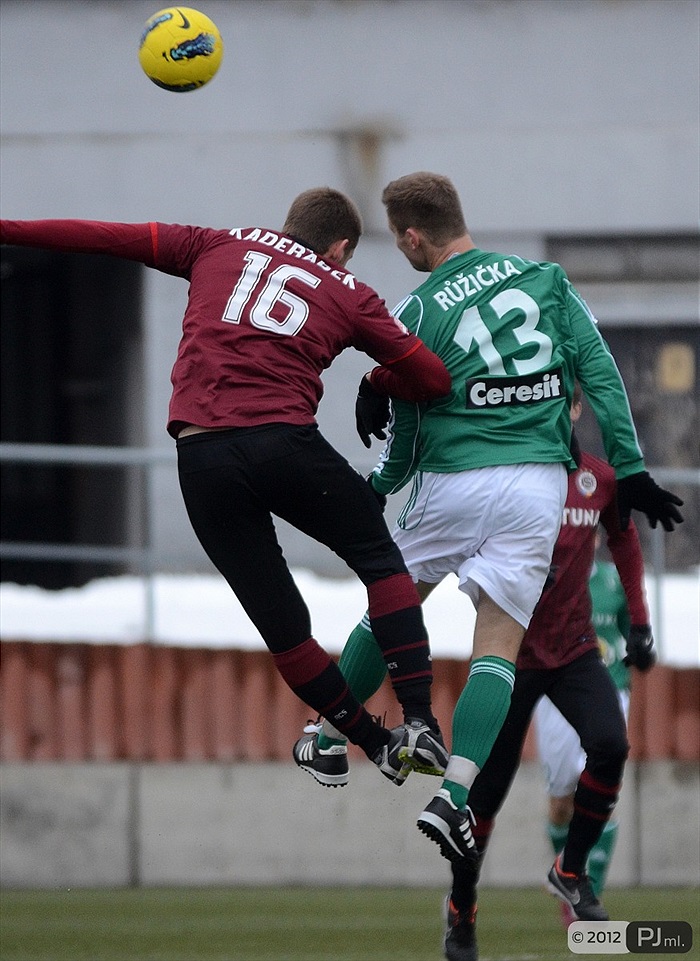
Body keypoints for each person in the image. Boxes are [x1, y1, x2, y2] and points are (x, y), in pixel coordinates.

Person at [291, 171, 682, 898]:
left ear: (412, 236)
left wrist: (377, 485)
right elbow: (599, 371)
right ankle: (455, 796)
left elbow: (406, 421)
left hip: (453, 481)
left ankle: (322, 733)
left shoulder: (415, 307)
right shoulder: (548, 281)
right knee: (498, 644)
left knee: (394, 605)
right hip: (536, 487)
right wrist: (628, 465)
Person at [0, 188, 454, 781]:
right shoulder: (348, 291)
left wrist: (9, 227)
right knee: (380, 560)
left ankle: (369, 742)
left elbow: (104, 235)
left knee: (282, 624)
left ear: (286, 223)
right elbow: (433, 376)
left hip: (202, 458)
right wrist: (379, 378)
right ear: (340, 247)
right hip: (284, 444)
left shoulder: (215, 244)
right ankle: (418, 721)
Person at [534, 528, 654, 928]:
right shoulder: (543, 579)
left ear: (598, 539)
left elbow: (629, 631)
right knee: (562, 801)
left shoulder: (614, 583)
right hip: (555, 696)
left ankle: (584, 893)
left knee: (602, 791)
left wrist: (640, 646)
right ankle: (568, 869)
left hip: (609, 690)